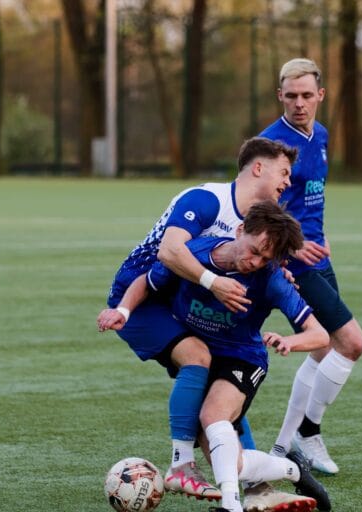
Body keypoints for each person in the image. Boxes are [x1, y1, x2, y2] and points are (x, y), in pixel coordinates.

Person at [98, 201, 332, 512]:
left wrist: (290, 340)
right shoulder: (193, 254)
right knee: (230, 463)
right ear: (239, 230)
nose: (256, 261)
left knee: (212, 417)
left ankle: (231, 506)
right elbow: (148, 282)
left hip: (243, 359)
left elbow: (320, 335)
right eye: (255, 249)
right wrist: (124, 311)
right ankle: (292, 469)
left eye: (266, 258)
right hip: (205, 355)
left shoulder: (271, 279)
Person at [103, 137, 297, 501]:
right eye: (283, 172)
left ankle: (256, 486)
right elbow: (170, 251)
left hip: (180, 302)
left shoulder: (254, 226)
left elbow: (248, 264)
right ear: (258, 167)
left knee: (224, 388)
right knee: (199, 357)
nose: (288, 182)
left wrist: (275, 274)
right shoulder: (207, 200)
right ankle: (181, 466)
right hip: (141, 296)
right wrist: (214, 283)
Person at [257, 58, 362, 476]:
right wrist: (289, 251)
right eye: (291, 96)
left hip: (317, 255)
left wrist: (322, 237)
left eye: (307, 95)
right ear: (279, 96)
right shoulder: (271, 145)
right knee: (351, 343)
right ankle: (307, 433)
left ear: (320, 95)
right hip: (292, 264)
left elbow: (310, 199)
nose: (299, 103)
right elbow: (256, 212)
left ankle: (286, 446)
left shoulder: (319, 135)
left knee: (323, 350)